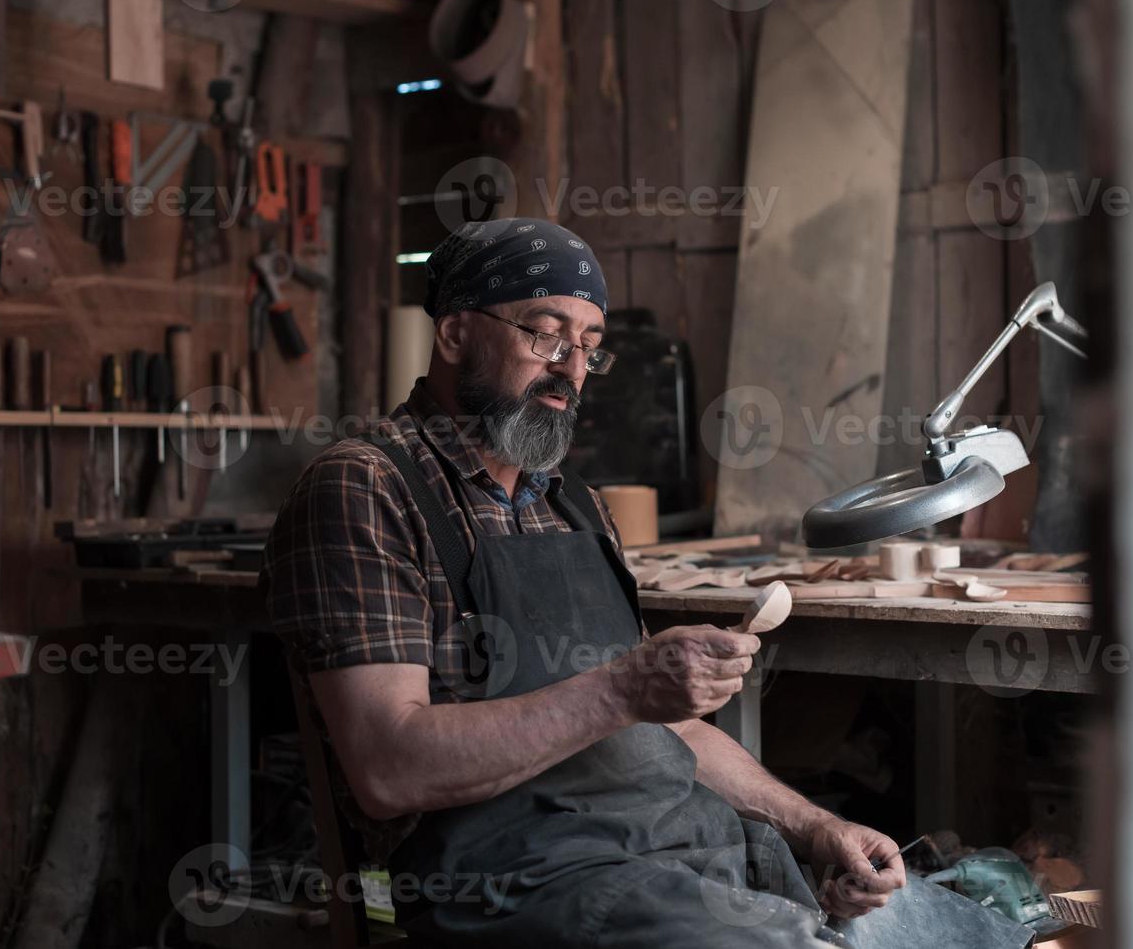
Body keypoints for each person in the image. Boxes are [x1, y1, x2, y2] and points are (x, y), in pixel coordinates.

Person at [262, 218, 1033, 949]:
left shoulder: (574, 503)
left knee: (952, 930)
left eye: (589, 347)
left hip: (678, 853)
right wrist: (623, 689)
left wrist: (811, 825)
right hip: (512, 885)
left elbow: (668, 729)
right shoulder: (366, 488)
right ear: (457, 330)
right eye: (545, 333)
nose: (569, 369)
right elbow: (389, 768)